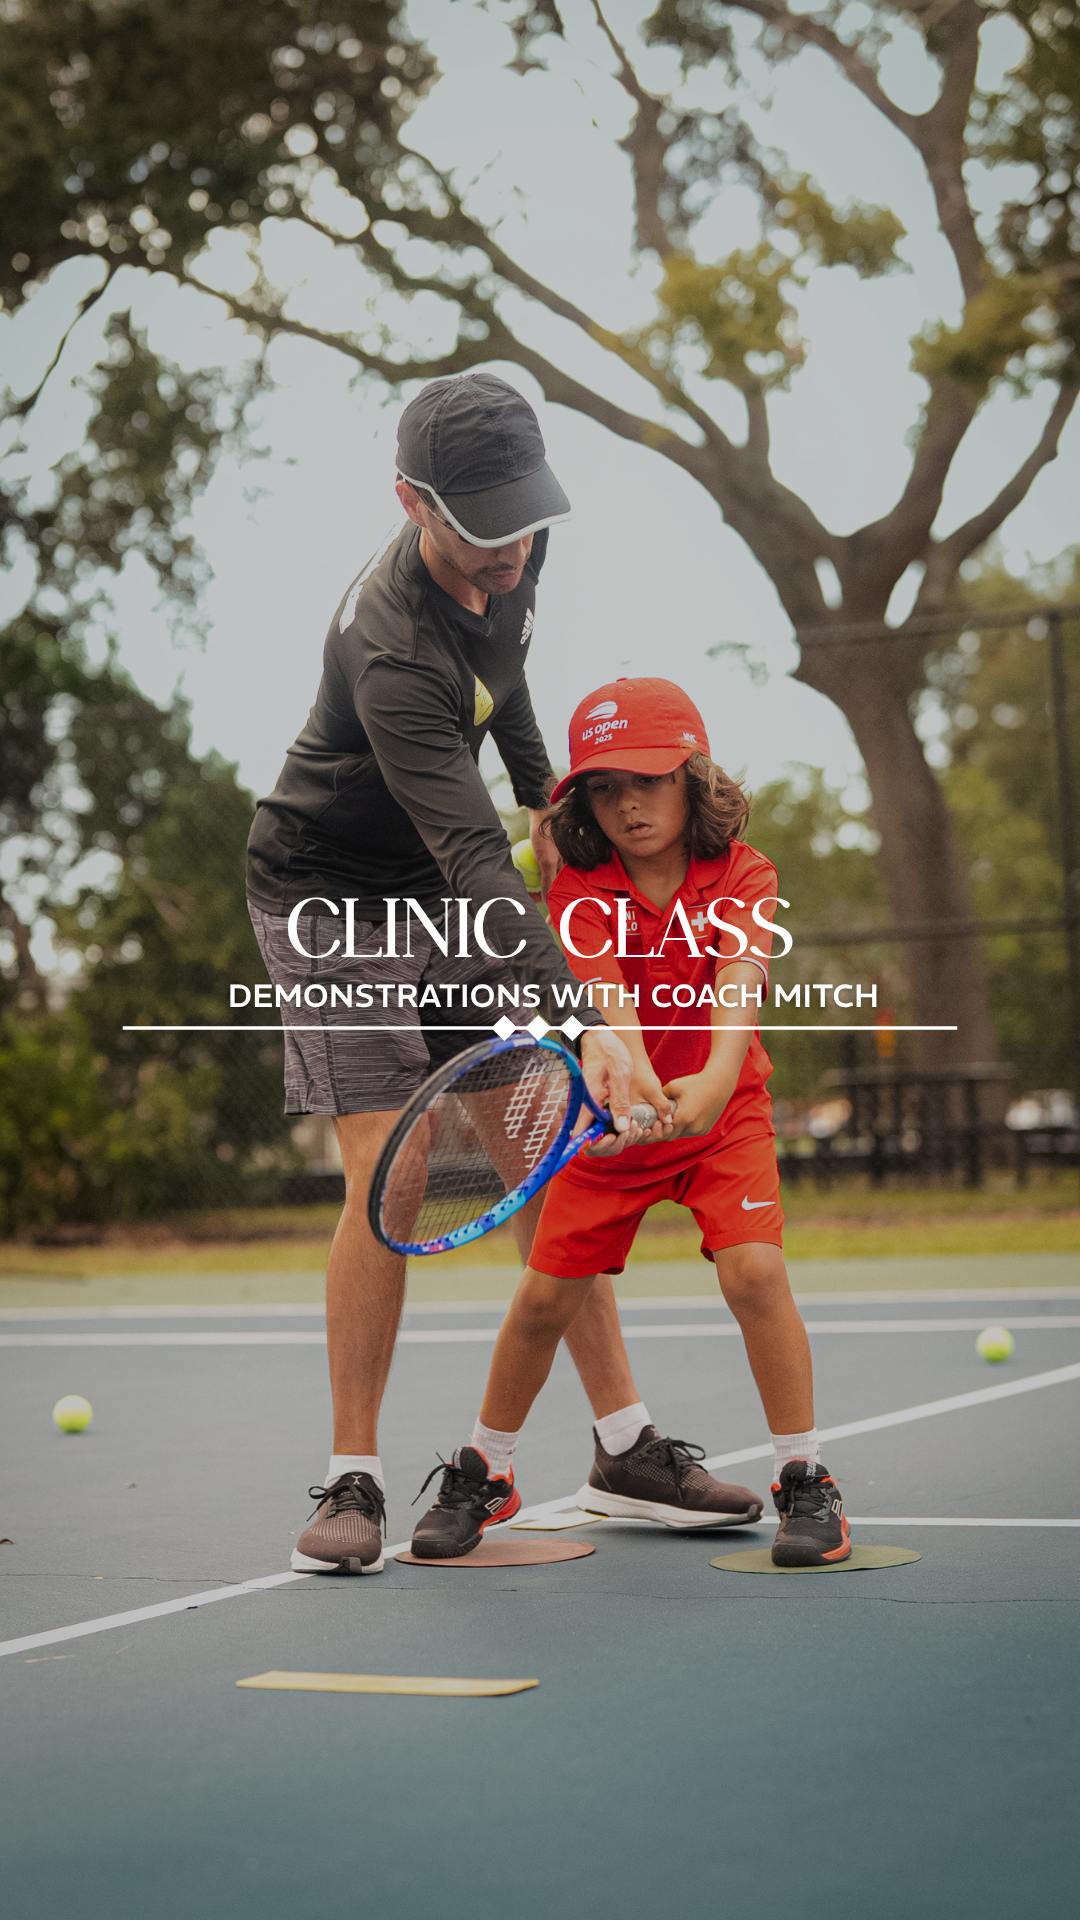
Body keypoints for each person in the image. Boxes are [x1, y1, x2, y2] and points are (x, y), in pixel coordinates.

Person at [245, 376, 740, 1573]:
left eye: (526, 516)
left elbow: (508, 683)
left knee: (532, 1146)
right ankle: (351, 1478)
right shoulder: (391, 646)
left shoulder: (515, 550)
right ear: (411, 503)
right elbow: (470, 856)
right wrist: (583, 1015)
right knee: (394, 1169)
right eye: (482, 523)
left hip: (437, 870)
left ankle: (622, 1446)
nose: (512, 545)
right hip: (330, 892)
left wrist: (546, 800)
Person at [412, 677, 851, 1569]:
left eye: (648, 780)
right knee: (542, 1300)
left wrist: (710, 1088)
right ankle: (485, 1470)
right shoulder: (577, 883)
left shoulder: (748, 872)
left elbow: (736, 998)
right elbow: (605, 1002)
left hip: (725, 1121)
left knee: (756, 1273)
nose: (627, 804)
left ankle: (805, 1476)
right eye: (604, 788)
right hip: (612, 1117)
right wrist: (636, 1088)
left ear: (694, 777)